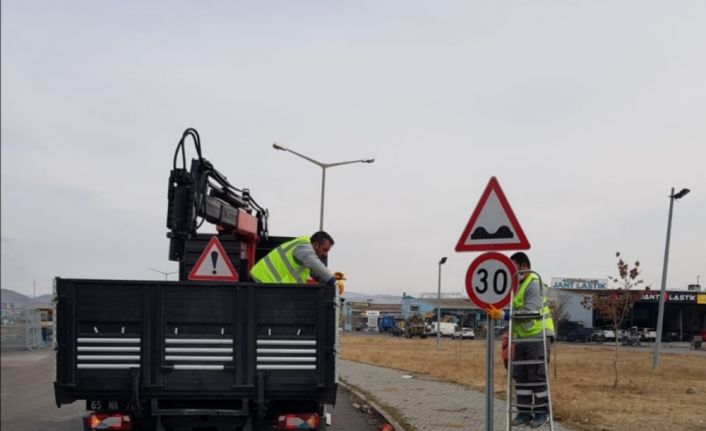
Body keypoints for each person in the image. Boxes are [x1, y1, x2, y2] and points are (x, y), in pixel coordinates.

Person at [487, 252, 555, 429]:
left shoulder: (533, 283)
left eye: (513, 267)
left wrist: (504, 315)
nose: (510, 272)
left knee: (537, 376)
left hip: (538, 335)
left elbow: (531, 312)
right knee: (521, 376)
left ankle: (542, 413)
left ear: (523, 266)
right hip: (522, 338)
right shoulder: (518, 285)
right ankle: (524, 412)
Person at [250, 231, 344, 292]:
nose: (325, 254)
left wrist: (329, 280)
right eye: (325, 250)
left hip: (264, 284)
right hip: (260, 282)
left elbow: (315, 272)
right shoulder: (303, 247)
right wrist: (332, 281)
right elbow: (315, 265)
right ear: (316, 244)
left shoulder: (304, 253)